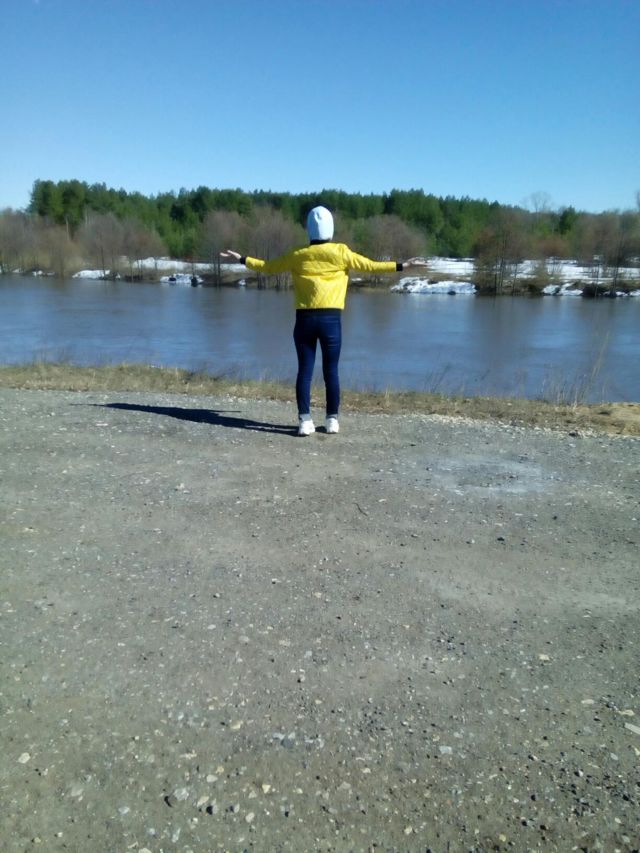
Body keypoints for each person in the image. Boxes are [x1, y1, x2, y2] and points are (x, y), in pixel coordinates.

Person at [221, 206, 427, 436]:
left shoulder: (298, 255)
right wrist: (403, 266)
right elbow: (371, 266)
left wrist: (242, 258)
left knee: (304, 371)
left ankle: (304, 421)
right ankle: (332, 420)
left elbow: (267, 267)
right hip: (331, 320)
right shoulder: (341, 252)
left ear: (309, 229)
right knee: (331, 371)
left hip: (304, 320)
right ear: (331, 228)